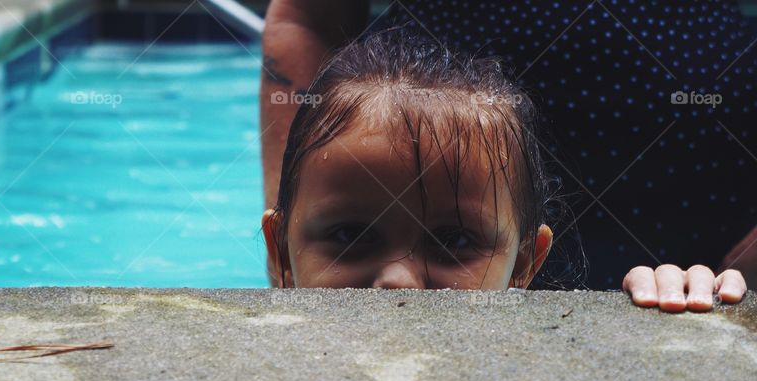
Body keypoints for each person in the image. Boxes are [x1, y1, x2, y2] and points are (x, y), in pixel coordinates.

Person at [259, 0, 756, 301]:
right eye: (348, 234)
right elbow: (306, 15)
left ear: (527, 265)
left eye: (453, 242)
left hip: (701, 192)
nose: (398, 284)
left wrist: (693, 299)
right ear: (279, 247)